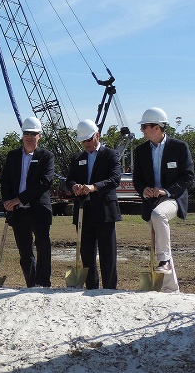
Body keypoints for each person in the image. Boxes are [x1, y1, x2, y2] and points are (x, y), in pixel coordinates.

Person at [133, 107, 195, 293]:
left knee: (159, 216)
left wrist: (165, 191)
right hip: (151, 201)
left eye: (145, 126)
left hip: (172, 198)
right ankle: (170, 287)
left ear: (158, 127)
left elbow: (188, 177)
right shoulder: (141, 150)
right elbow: (137, 178)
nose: (142, 130)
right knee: (160, 238)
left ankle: (164, 260)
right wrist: (145, 190)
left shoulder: (179, 147)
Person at [0, 116, 55, 288]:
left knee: (43, 247)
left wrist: (19, 198)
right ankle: (31, 284)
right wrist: (8, 201)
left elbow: (44, 182)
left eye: (33, 133)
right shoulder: (13, 156)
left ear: (40, 135)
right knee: (25, 251)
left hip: (39, 210)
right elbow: (5, 180)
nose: (29, 137)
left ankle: (43, 283)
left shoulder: (46, 156)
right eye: (26, 133)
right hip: (19, 212)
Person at [66, 119, 122, 290]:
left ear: (97, 136)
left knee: (107, 255)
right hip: (84, 211)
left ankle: (109, 289)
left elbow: (114, 179)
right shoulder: (77, 158)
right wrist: (74, 186)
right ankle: (91, 288)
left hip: (105, 211)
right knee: (87, 255)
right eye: (83, 141)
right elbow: (68, 180)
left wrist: (94, 187)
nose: (86, 144)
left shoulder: (110, 155)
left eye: (88, 140)